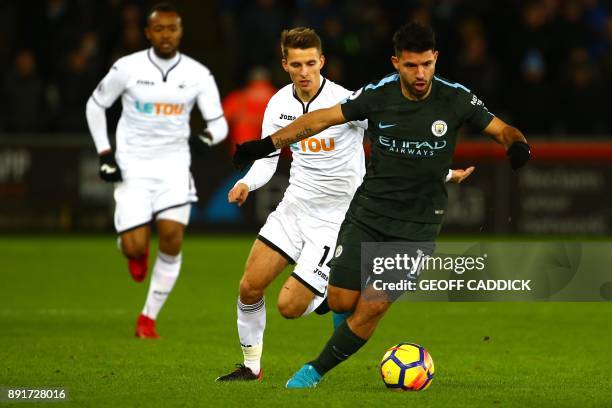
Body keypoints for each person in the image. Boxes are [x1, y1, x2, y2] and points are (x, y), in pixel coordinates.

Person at [232, 22, 530, 388]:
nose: (420, 74)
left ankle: (314, 371)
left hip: (416, 223)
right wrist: (264, 147)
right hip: (367, 212)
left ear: (436, 58)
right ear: (396, 63)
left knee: (371, 305)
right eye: (410, 66)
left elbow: (503, 130)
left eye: (426, 64)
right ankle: (275, 347)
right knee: (340, 302)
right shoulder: (376, 96)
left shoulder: (455, 98)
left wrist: (517, 145)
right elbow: (319, 120)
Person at [85, 2, 228, 339]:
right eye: (159, 29)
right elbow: (96, 105)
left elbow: (219, 124)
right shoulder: (127, 68)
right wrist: (105, 153)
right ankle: (134, 250)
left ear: (180, 32)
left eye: (172, 28)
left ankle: (147, 318)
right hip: (133, 165)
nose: (166, 35)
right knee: (135, 247)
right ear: (148, 33)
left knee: (172, 238)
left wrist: (203, 139)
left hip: (174, 166)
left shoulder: (197, 74)